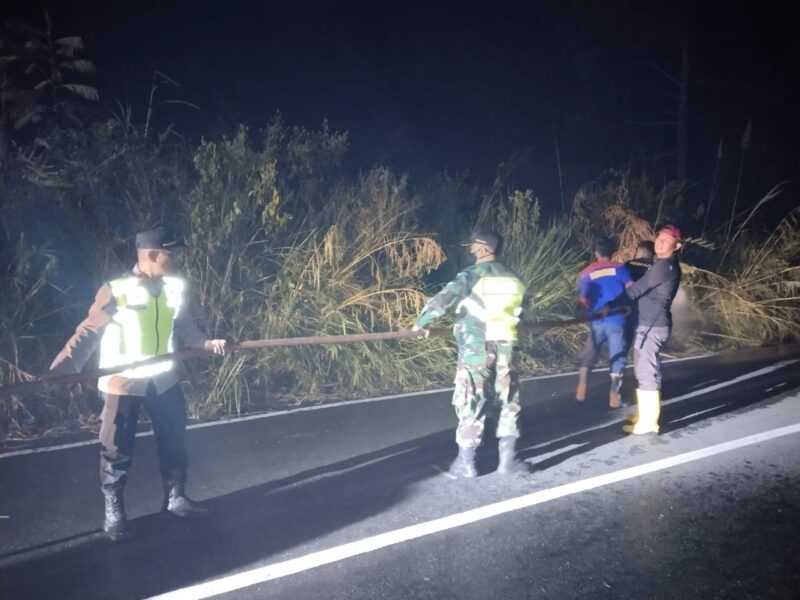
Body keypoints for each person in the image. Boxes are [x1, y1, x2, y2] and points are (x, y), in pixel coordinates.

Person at [49, 228, 227, 541]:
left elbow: (184, 326)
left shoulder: (175, 287)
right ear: (152, 255)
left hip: (163, 379)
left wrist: (206, 343)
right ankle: (114, 510)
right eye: (172, 255)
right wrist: (61, 368)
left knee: (174, 439)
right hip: (124, 382)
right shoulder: (116, 289)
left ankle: (175, 498)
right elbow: (88, 332)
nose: (177, 260)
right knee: (116, 448)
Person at [413, 229, 527, 478]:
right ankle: (508, 461)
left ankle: (466, 463)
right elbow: (523, 312)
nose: (471, 249)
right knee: (509, 401)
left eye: (474, 245)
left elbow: (443, 300)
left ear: (484, 249)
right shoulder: (515, 278)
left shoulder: (472, 275)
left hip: (477, 347)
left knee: (472, 399)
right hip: (507, 345)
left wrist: (421, 322)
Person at [610, 225, 683, 435]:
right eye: (659, 238)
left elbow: (637, 289)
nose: (659, 242)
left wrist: (612, 305)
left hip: (652, 326)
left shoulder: (664, 266)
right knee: (647, 370)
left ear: (676, 246)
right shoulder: (662, 264)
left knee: (645, 372)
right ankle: (646, 415)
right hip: (651, 325)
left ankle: (649, 423)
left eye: (665, 240)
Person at [574, 236, 632, 408]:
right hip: (617, 320)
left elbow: (583, 298)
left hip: (596, 321)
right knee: (617, 357)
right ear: (613, 251)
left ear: (596, 253)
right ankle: (615, 395)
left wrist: (584, 311)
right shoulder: (621, 268)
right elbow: (631, 290)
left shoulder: (586, 272)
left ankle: (582, 387)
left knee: (590, 353)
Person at [623, 240, 655, 348]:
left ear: (640, 251)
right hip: (646, 305)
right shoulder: (655, 267)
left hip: (628, 302)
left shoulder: (628, 264)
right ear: (652, 253)